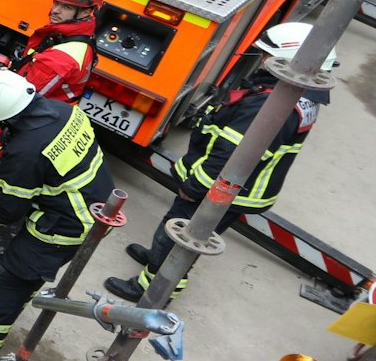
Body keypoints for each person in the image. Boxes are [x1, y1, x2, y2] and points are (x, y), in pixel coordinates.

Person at [104, 23, 334, 304]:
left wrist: (194, 187)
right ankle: (157, 262)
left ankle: (154, 290)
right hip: (240, 189)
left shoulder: (266, 106)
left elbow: (229, 158)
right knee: (179, 233)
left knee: (181, 235)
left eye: (267, 55)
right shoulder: (297, 98)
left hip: (222, 191)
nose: (262, 59)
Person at [0, 68, 113, 358]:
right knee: (19, 275)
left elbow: (7, 210)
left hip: (66, 225)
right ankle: (8, 297)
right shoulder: (63, 111)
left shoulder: (26, 152)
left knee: (7, 276)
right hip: (94, 203)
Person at [0, 0, 103, 204]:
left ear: (86, 12)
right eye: (56, 2)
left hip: (31, 122)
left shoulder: (62, 57)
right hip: (47, 116)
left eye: (66, 6)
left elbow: (19, 99)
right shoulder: (67, 37)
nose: (56, 10)